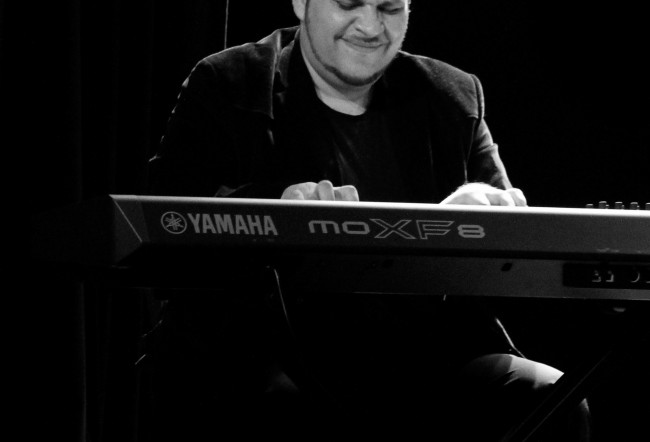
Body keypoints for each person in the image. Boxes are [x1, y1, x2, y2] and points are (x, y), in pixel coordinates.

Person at [142, 0, 591, 440]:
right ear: (301, 3)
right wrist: (276, 209)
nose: (371, 26)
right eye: (349, 4)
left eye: (389, 9)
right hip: (273, 352)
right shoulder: (229, 83)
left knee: (549, 398)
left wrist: (473, 217)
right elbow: (165, 230)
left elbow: (516, 259)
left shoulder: (452, 95)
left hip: (425, 357)